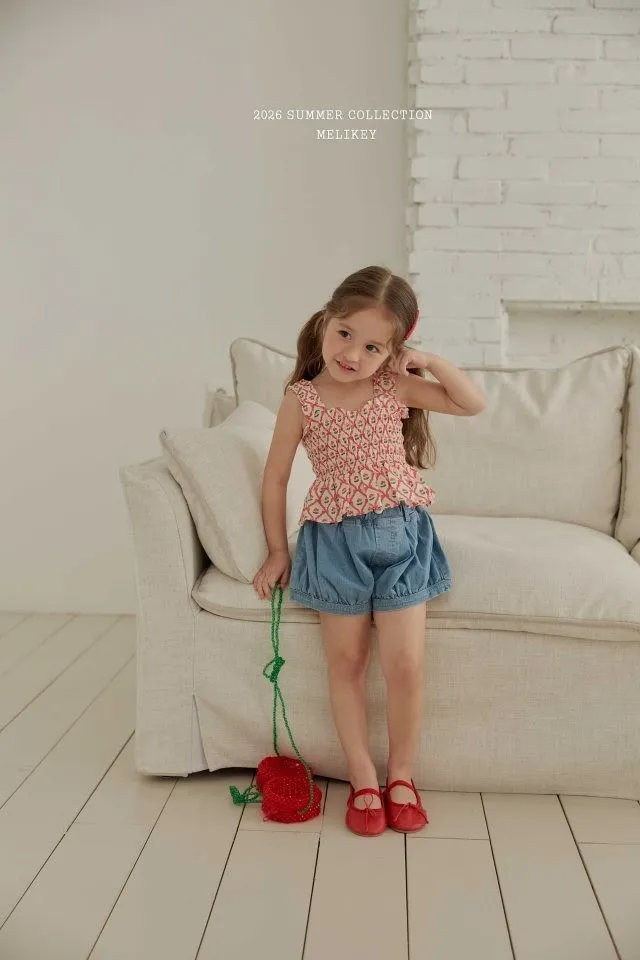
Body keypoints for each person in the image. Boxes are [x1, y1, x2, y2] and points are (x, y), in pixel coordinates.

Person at [252, 265, 486, 836]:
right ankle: (362, 778)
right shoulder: (302, 399)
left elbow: (471, 403)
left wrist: (426, 361)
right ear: (325, 322)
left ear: (392, 353)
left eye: (373, 346)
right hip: (333, 544)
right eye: (345, 334)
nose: (352, 354)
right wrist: (278, 551)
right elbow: (275, 477)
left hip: (401, 536)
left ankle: (400, 777)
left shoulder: (393, 387)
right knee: (348, 664)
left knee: (405, 665)